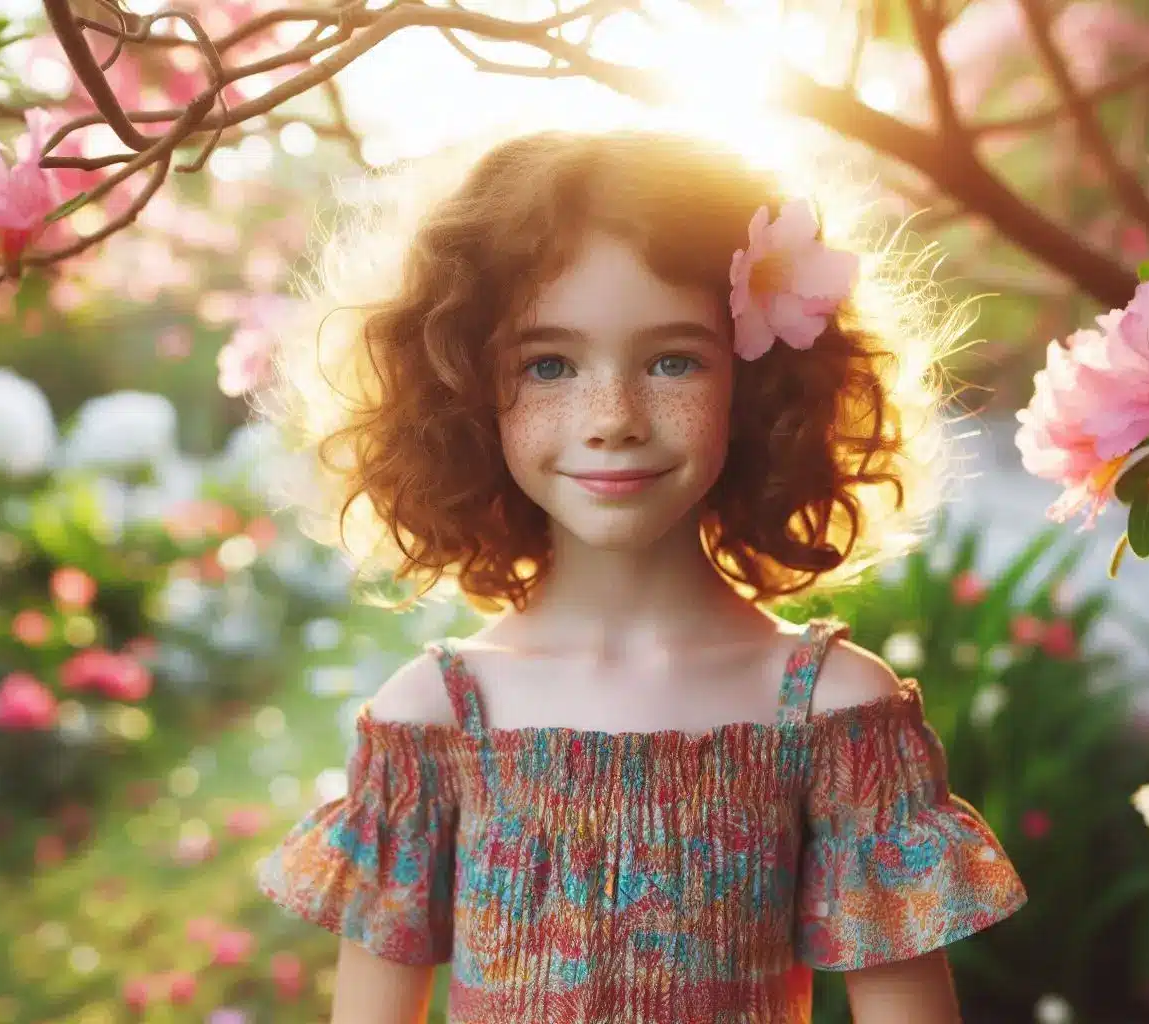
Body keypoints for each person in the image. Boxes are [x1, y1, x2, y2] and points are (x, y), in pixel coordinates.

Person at [254, 128, 1026, 1024]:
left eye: (673, 360)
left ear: (758, 383)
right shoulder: (429, 724)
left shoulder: (834, 717)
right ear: (461, 393)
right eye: (548, 365)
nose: (612, 417)